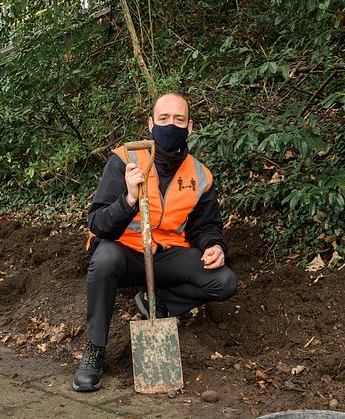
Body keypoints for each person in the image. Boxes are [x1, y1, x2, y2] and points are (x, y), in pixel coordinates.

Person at [72, 93, 237, 392]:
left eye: (178, 119)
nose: (170, 125)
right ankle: (94, 353)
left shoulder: (199, 174)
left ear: (190, 127)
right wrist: (129, 199)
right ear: (150, 123)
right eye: (163, 119)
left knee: (224, 281)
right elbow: (97, 224)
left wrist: (215, 246)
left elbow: (206, 226)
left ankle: (157, 303)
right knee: (105, 259)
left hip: (166, 256)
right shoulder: (125, 159)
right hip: (124, 253)